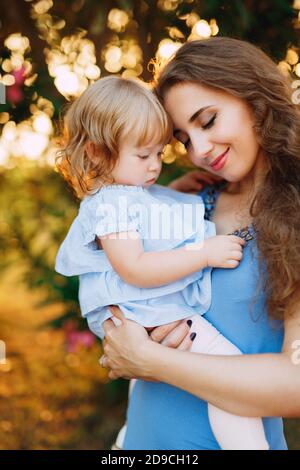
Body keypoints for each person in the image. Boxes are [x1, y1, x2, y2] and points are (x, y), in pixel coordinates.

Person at [100, 37, 300, 450]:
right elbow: (115, 284)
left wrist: (154, 361)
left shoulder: (294, 218)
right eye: (184, 139)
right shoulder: (190, 204)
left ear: (255, 100)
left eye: (207, 121)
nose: (200, 151)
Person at [55, 75, 270, 449]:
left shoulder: (124, 194)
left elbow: (148, 222)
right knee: (227, 370)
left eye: (160, 153)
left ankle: (129, 436)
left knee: (164, 370)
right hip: (146, 308)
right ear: (96, 152)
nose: (154, 166)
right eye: (143, 156)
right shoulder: (112, 204)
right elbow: (135, 266)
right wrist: (203, 253)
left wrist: (173, 194)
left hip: (146, 313)